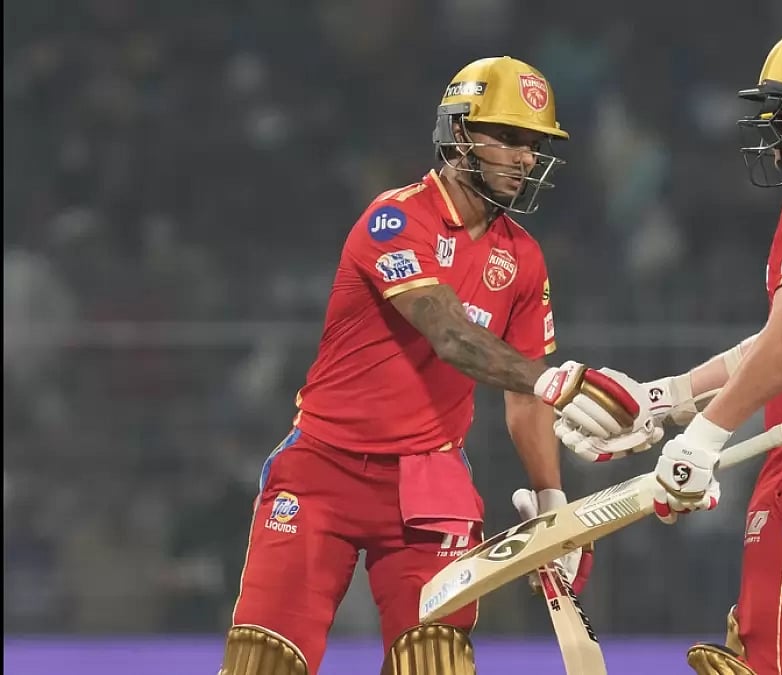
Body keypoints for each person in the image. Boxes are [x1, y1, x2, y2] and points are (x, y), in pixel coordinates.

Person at [218, 56, 650, 675]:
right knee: (263, 664)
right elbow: (449, 334)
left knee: (436, 665)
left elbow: (524, 397)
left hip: (430, 482)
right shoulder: (393, 220)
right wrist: (554, 378)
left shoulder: (523, 258)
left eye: (533, 144)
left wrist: (556, 509)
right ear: (458, 132)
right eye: (508, 137)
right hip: (324, 469)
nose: (525, 157)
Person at [556, 28, 782, 675]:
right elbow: (781, 337)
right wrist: (667, 396)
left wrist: (703, 438)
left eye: (779, 106)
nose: (771, 123)